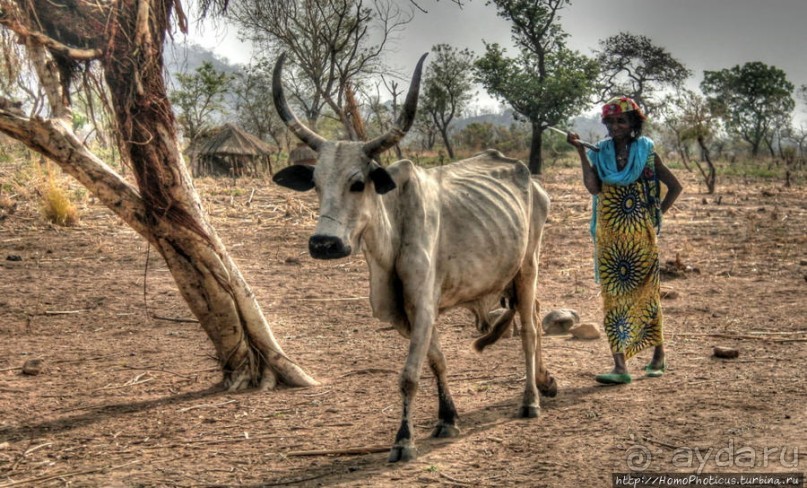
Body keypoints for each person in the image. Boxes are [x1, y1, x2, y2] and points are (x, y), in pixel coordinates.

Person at [567, 96, 682, 385]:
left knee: (646, 296)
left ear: (633, 123)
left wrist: (654, 217)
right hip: (609, 237)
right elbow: (594, 188)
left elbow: (675, 186)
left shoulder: (645, 151)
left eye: (622, 120)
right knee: (613, 299)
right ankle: (620, 367)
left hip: (641, 237)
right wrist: (581, 153)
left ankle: (658, 357)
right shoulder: (600, 152)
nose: (616, 126)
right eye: (610, 121)